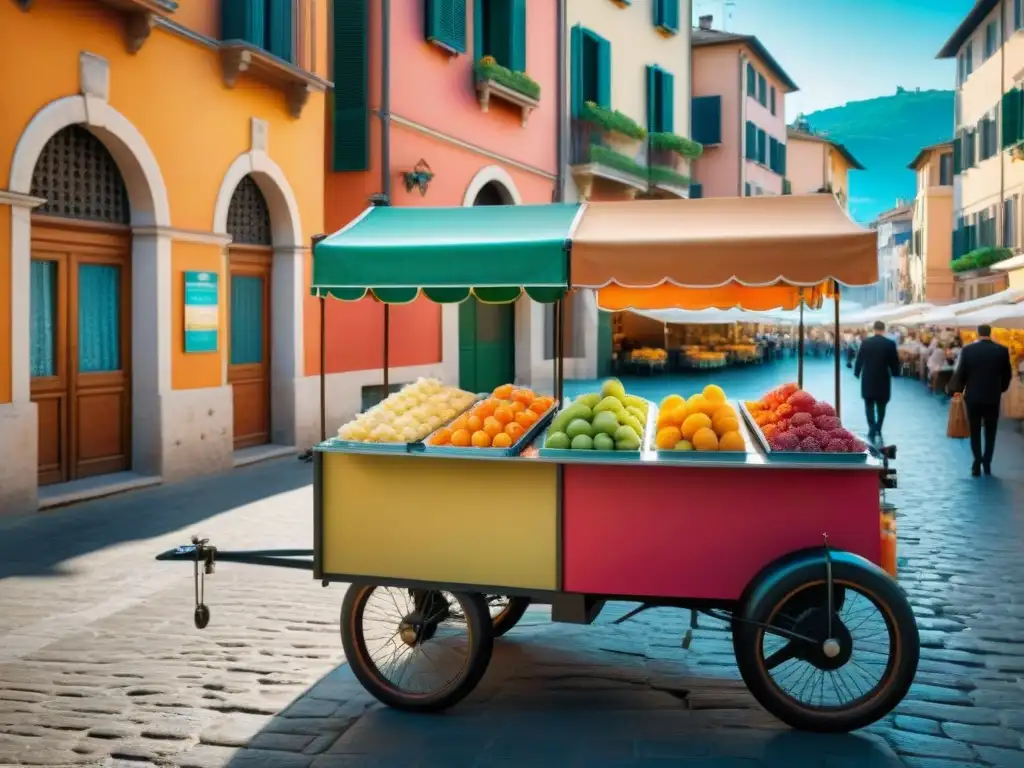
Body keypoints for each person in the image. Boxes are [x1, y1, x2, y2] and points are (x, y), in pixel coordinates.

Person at [948, 324, 1013, 476]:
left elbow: (961, 373)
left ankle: (977, 462)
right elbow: (1007, 375)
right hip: (992, 397)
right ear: (990, 333)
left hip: (973, 397)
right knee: (991, 431)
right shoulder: (1002, 351)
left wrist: (957, 390)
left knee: (975, 430)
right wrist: (1000, 389)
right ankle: (987, 461)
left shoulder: (968, 350)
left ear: (978, 334)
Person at [855, 320, 900, 443]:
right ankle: (878, 428)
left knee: (868, 404)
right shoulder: (890, 344)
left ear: (874, 329)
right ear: (883, 329)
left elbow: (859, 359)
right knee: (882, 405)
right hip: (883, 378)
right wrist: (896, 373)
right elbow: (894, 362)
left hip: (868, 377)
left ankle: (871, 428)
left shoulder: (866, 343)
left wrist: (857, 372)